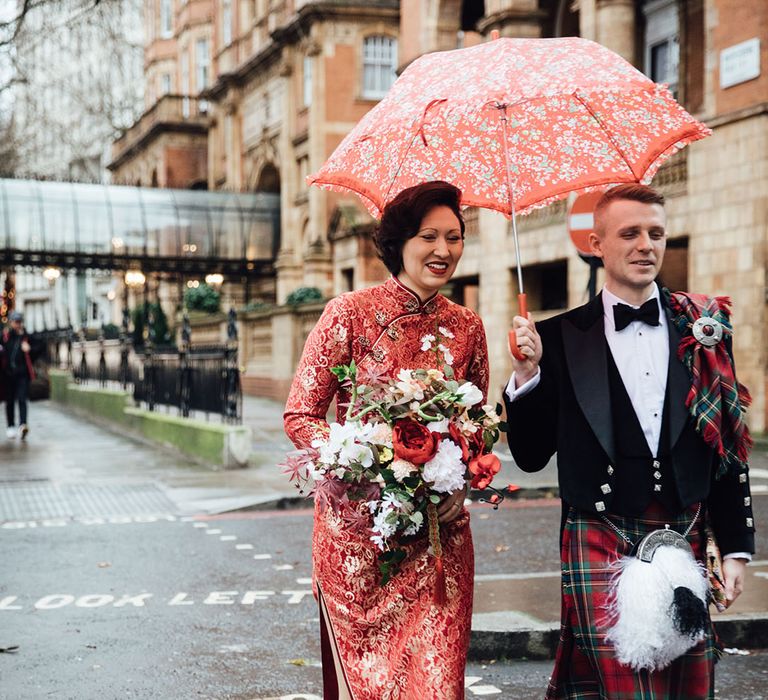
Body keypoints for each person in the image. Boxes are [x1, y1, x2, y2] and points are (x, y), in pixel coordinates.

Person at [504, 184, 755, 699]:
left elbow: (726, 442)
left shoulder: (704, 328)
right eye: (630, 233)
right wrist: (527, 375)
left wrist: (737, 549)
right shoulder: (557, 337)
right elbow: (529, 457)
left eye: (656, 233)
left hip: (683, 526)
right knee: (625, 688)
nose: (646, 245)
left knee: (687, 685)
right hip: (597, 530)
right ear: (596, 243)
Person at [284, 181, 489, 700]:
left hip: (441, 543)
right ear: (400, 242)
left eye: (455, 237)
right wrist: (367, 457)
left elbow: (476, 428)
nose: (444, 250)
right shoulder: (348, 313)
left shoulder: (468, 327)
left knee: (438, 685)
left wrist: (462, 482)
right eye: (429, 236)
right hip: (359, 547)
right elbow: (301, 414)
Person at [1, 311, 36, 440]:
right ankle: (10, 426)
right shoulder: (5, 337)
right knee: (9, 401)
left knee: (22, 399)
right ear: (10, 322)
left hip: (22, 374)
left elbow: (40, 348)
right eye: (16, 322)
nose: (18, 324)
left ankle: (22, 424)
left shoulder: (26, 337)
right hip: (7, 375)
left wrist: (29, 349)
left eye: (19, 322)